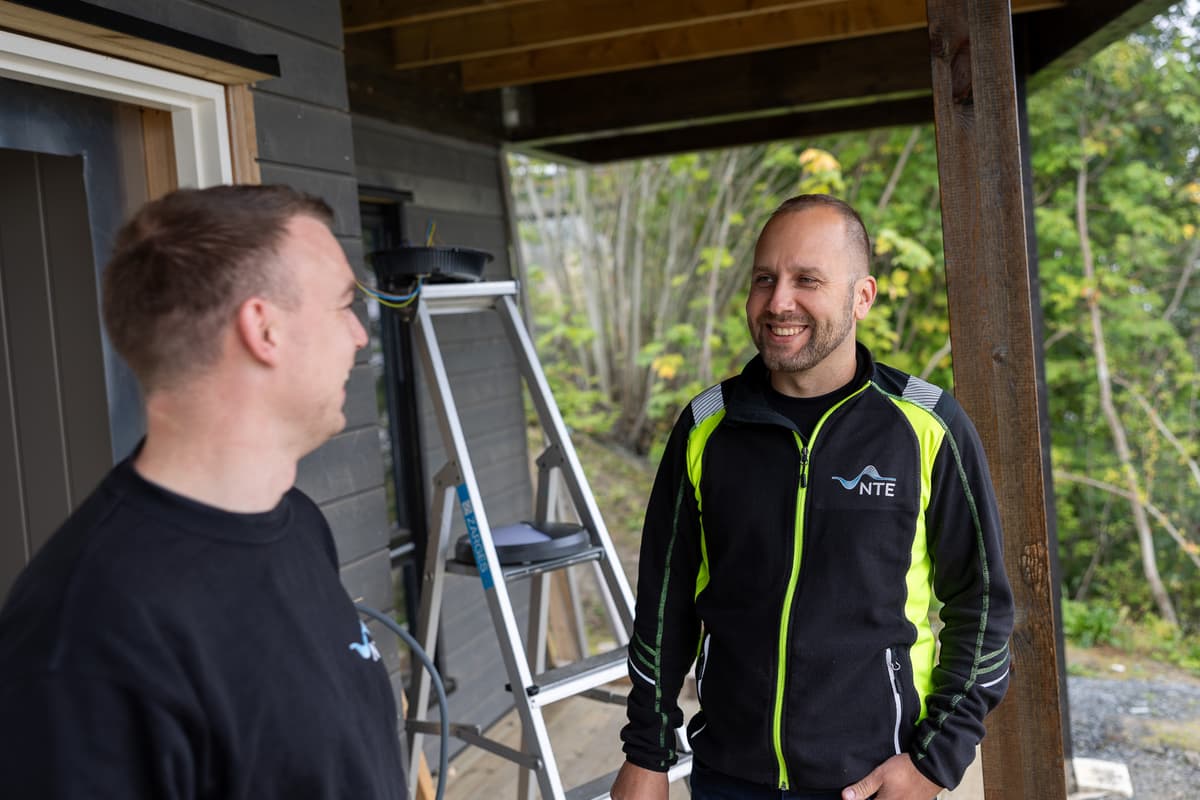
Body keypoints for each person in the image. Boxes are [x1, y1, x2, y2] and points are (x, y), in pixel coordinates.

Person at [0, 185, 407, 799]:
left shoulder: (297, 523)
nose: (359, 335)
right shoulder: (82, 637)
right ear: (264, 329)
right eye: (343, 306)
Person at [611, 195, 1014, 800]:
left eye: (807, 280)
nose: (779, 302)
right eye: (764, 279)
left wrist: (934, 761)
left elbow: (982, 605)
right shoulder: (706, 425)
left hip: (872, 779)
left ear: (862, 297)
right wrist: (646, 753)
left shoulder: (927, 425)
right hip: (726, 775)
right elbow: (664, 601)